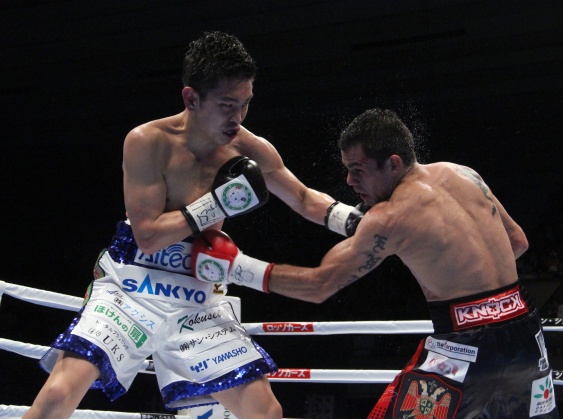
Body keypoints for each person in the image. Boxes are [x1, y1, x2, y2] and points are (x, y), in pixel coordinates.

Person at [24, 31, 363, 419]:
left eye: (245, 104)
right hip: (133, 284)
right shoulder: (148, 142)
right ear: (191, 98)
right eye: (227, 105)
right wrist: (216, 203)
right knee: (58, 394)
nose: (237, 117)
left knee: (265, 411)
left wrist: (355, 222)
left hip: (198, 292)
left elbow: (303, 198)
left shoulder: (249, 148)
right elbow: (148, 235)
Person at [192, 108, 560, 418]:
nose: (349, 180)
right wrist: (463, 276)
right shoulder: (463, 173)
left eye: (358, 169)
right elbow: (517, 241)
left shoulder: (390, 217)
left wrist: (236, 267)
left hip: (464, 344)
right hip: (526, 334)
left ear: (393, 163)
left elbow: (320, 286)